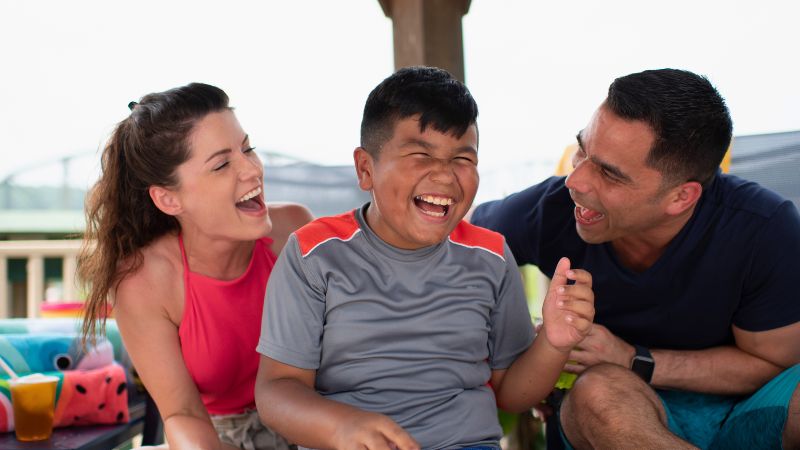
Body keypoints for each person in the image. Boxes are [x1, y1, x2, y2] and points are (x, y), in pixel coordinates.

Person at [253, 66, 595, 450]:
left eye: (463, 159)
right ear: (366, 169)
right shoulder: (313, 253)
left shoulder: (492, 256)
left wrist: (554, 340)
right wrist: (340, 428)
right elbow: (277, 389)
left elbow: (512, 394)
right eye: (421, 155)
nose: (446, 177)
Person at [471, 68, 800, 449]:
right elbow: (448, 247)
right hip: (615, 411)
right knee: (599, 394)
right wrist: (528, 349)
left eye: (609, 174)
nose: (575, 181)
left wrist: (632, 358)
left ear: (681, 197)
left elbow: (774, 364)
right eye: (583, 150)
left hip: (750, 410)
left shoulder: (765, 226)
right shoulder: (550, 210)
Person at [78, 82, 313, 450]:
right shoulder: (143, 282)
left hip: (312, 419)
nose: (252, 170)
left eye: (248, 148)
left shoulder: (294, 231)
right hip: (215, 435)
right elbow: (182, 413)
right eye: (222, 164)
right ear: (168, 198)